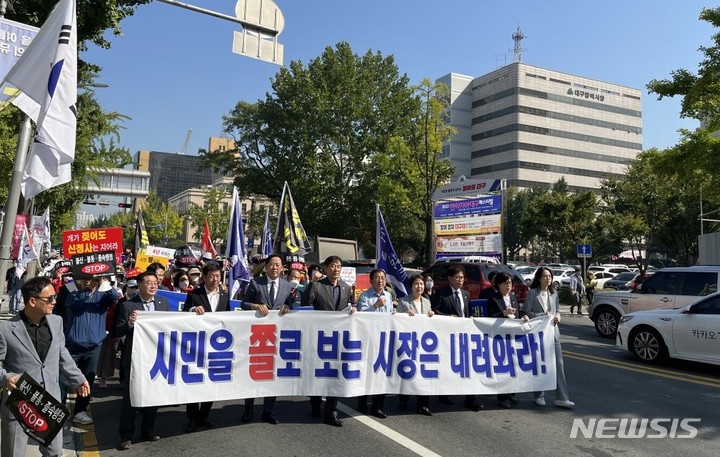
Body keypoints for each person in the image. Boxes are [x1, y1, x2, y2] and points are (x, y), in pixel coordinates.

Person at [0, 276, 90, 457]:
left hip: (49, 400)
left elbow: (62, 354)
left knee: (54, 451)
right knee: (13, 452)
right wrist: (6, 377)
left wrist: (78, 378)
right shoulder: (5, 329)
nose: (54, 302)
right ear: (32, 301)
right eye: (49, 298)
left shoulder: (56, 322)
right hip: (19, 401)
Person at [115, 271, 171, 450]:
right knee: (130, 400)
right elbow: (117, 331)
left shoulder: (163, 303)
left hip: (156, 358)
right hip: (135, 358)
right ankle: (126, 435)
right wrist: (130, 323)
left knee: (152, 398)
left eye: (155, 282)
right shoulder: (128, 305)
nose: (153, 285)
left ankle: (148, 430)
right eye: (149, 282)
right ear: (139, 285)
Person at [240, 254, 294, 425]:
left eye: (278, 265)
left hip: (276, 338)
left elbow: (294, 306)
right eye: (271, 264)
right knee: (253, 373)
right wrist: (255, 306)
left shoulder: (287, 286)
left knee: (272, 375)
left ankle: (268, 411)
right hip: (257, 337)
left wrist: (288, 306)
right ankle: (248, 408)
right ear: (266, 267)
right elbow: (243, 304)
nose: (274, 267)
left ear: (282, 268)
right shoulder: (256, 283)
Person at [301, 256, 355, 427]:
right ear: (325, 268)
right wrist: (311, 283)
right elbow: (305, 305)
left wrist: (354, 308)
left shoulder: (346, 288)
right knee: (318, 373)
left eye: (339, 266)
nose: (336, 269)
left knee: (335, 374)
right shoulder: (317, 285)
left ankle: (331, 410)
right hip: (318, 336)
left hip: (338, 338)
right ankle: (315, 402)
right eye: (333, 266)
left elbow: (350, 306)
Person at [63, 275, 119, 425]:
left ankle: (80, 411)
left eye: (92, 278)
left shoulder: (103, 295)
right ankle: (58, 410)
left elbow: (114, 296)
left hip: (94, 346)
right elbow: (73, 304)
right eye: (85, 277)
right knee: (63, 380)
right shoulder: (72, 291)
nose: (88, 280)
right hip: (72, 346)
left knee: (87, 380)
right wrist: (86, 290)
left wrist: (103, 283)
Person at [182, 261, 230, 433]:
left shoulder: (225, 295)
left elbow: (229, 318)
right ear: (204, 277)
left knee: (211, 381)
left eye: (218, 276)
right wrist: (194, 309)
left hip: (217, 346)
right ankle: (192, 418)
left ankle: (205, 415)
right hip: (197, 345)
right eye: (211, 276)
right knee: (194, 381)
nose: (215, 279)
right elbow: (183, 314)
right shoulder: (194, 294)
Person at [430, 265, 483, 412]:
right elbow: (434, 312)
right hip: (447, 337)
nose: (460, 280)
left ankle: (470, 399)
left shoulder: (466, 294)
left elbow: (468, 313)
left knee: (469, 367)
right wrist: (448, 318)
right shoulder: (441, 294)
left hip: (465, 336)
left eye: (462, 278)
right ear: (450, 279)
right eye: (457, 278)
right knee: (447, 366)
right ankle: (444, 394)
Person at [521, 267, 574, 409]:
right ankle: (539, 395)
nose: (548, 278)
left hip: (553, 332)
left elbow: (557, 311)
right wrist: (542, 316)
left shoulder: (554, 293)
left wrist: (558, 317)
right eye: (545, 276)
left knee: (559, 365)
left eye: (549, 276)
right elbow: (527, 311)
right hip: (538, 333)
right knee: (539, 364)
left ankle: (562, 398)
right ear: (539, 278)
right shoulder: (532, 293)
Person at [355, 268, 394, 418]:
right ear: (371, 281)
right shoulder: (365, 296)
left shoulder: (389, 296)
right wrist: (375, 305)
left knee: (382, 373)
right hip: (369, 340)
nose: (380, 280)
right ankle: (362, 402)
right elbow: (361, 316)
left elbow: (389, 314)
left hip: (384, 340)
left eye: (383, 278)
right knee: (366, 372)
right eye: (377, 278)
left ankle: (377, 406)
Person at [396, 274, 434, 416]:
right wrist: (405, 315)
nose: (419, 287)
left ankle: (423, 405)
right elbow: (397, 321)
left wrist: (431, 316)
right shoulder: (404, 302)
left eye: (421, 284)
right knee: (407, 372)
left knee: (424, 374)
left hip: (424, 344)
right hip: (408, 342)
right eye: (416, 284)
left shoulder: (427, 302)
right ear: (411, 287)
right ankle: (403, 398)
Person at [486, 272, 521, 409]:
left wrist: (522, 318)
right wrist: (503, 314)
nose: (508, 286)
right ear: (499, 285)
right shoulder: (493, 299)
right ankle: (502, 397)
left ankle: (511, 393)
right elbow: (489, 318)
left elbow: (518, 314)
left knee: (513, 366)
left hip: (512, 336)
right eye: (506, 283)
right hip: (499, 338)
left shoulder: (513, 297)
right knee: (502, 367)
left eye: (510, 283)